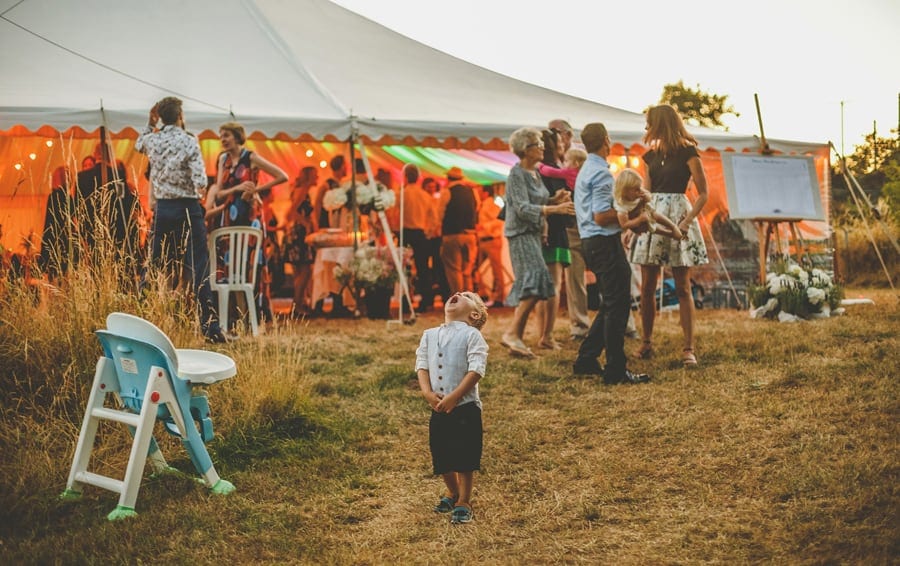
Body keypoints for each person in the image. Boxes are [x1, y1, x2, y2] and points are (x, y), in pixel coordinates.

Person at [136, 96, 225, 343]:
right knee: (199, 266)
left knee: (154, 263)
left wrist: (149, 123)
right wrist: (198, 195)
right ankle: (210, 327)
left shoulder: (152, 139)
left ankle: (140, 318)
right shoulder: (189, 141)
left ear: (160, 116)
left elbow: (138, 144)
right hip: (187, 206)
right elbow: (200, 179)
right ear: (180, 116)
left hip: (163, 209)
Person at [571, 122, 650, 385]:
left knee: (610, 303)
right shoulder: (602, 174)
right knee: (618, 305)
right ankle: (615, 369)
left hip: (590, 242)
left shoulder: (586, 169)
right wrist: (635, 212)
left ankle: (586, 358)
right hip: (603, 242)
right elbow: (602, 216)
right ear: (606, 140)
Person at [631, 105, 709, 367]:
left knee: (683, 286)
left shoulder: (688, 152)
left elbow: (703, 194)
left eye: (649, 123)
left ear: (660, 123)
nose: (646, 128)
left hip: (680, 216)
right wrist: (637, 221)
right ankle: (646, 342)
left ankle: (689, 348)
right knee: (647, 288)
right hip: (654, 218)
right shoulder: (649, 157)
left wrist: (686, 222)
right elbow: (647, 192)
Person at [499, 127, 574, 358]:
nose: (542, 147)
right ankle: (512, 334)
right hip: (520, 234)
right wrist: (555, 208)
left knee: (536, 282)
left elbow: (536, 200)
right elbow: (521, 208)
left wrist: (554, 198)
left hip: (533, 233)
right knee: (536, 278)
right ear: (525, 149)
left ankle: (516, 337)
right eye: (537, 144)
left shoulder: (534, 173)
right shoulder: (517, 174)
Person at [415, 291, 489, 525]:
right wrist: (427, 393)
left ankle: (464, 501)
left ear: (474, 314)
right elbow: (422, 365)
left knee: (465, 456)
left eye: (466, 295)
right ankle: (452, 491)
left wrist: (456, 396)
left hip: (465, 407)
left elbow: (476, 369)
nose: (457, 293)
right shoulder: (429, 334)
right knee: (442, 455)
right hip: (437, 406)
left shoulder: (473, 336)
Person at [549, 118, 591, 341]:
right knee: (574, 279)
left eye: (555, 132)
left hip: (591, 223)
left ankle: (625, 322)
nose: (552, 136)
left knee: (607, 275)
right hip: (570, 227)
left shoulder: (580, 158)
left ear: (567, 135)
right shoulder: (554, 162)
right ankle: (580, 326)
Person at [204, 122, 288, 228]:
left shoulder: (251, 157)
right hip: (229, 215)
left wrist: (255, 190)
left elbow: (282, 176)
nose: (223, 140)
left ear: (237, 137)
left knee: (247, 243)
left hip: (249, 213)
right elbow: (220, 194)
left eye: (226, 135)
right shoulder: (223, 159)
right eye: (221, 137)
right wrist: (237, 188)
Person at [536, 129, 575, 350]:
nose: (563, 144)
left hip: (545, 232)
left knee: (544, 286)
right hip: (554, 232)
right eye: (559, 141)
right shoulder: (554, 172)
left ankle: (542, 332)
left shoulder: (538, 171)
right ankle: (547, 336)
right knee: (552, 284)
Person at [398, 165, 440, 313]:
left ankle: (404, 300)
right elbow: (435, 219)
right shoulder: (425, 196)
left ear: (406, 177)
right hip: (420, 234)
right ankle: (426, 300)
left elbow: (394, 214)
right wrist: (427, 233)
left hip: (405, 234)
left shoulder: (401, 194)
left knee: (404, 269)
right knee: (423, 268)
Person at [437, 167, 478, 296]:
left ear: (448, 179)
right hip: (470, 234)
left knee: (454, 270)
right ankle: (469, 299)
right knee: (467, 271)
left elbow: (439, 214)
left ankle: (458, 299)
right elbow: (476, 209)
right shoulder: (472, 192)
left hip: (452, 234)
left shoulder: (447, 192)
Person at [283, 166, 318, 315]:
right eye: (315, 175)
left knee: (300, 272)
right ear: (309, 176)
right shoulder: (303, 190)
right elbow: (291, 212)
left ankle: (298, 304)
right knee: (305, 271)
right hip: (300, 235)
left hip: (296, 233)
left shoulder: (300, 190)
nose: (318, 178)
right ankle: (297, 305)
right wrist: (306, 224)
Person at [614, 168, 684, 239]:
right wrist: (639, 219)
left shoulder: (639, 191)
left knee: (654, 214)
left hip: (645, 210)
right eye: (636, 189)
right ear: (625, 192)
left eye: (639, 188)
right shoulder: (622, 207)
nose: (639, 191)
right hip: (636, 221)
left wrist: (647, 197)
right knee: (648, 227)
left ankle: (673, 226)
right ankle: (669, 234)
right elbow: (624, 225)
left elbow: (649, 196)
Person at [39, 166, 75, 282]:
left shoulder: (53, 197)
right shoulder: (69, 198)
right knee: (63, 279)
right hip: (66, 242)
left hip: (53, 242)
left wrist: (44, 248)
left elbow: (49, 224)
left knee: (53, 280)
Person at [475, 184, 505, 307]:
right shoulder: (482, 205)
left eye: (480, 191)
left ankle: (498, 297)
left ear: (485, 193)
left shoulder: (490, 205)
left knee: (496, 269)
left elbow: (499, 220)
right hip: (483, 240)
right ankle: (483, 294)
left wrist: (485, 227)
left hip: (491, 240)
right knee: (476, 269)